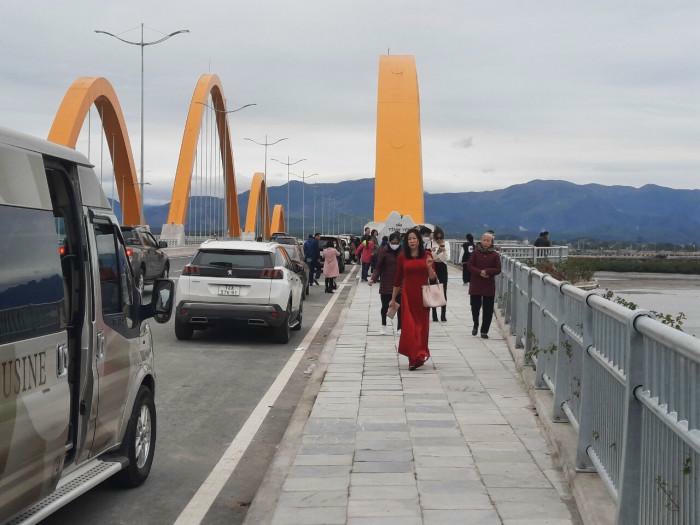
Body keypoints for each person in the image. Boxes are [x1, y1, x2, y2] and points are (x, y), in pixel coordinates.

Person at [389, 228, 437, 370]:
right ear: (406, 241)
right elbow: (398, 279)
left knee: (422, 328)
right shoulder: (402, 256)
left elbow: (433, 278)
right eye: (409, 239)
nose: (412, 241)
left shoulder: (427, 255)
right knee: (409, 327)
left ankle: (420, 354)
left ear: (419, 240)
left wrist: (429, 267)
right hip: (407, 296)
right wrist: (393, 299)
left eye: (414, 238)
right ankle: (412, 357)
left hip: (423, 295)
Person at [467, 232, 501, 339]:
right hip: (476, 283)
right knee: (475, 307)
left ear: (491, 242)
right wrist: (479, 272)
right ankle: (476, 324)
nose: (486, 242)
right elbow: (469, 266)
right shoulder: (475, 253)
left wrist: (487, 271)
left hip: (488, 284)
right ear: (481, 241)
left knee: (488, 309)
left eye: (488, 240)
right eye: (484, 240)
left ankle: (484, 331)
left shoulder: (495, 255)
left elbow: (498, 269)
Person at [369, 231, 402, 334]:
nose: (395, 244)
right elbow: (378, 267)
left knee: (400, 307)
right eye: (393, 242)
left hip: (400, 284)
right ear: (389, 242)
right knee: (384, 306)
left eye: (397, 242)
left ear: (400, 242)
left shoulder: (403, 252)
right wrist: (373, 278)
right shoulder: (383, 251)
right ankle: (383, 325)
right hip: (386, 283)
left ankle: (400, 327)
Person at [425, 226, 450, 322]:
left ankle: (443, 314)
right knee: (433, 289)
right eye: (437, 237)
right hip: (433, 267)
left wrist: (441, 252)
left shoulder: (446, 243)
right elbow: (430, 258)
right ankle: (434, 314)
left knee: (444, 290)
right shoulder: (430, 243)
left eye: (441, 237)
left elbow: (446, 258)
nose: (439, 239)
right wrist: (440, 251)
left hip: (443, 267)